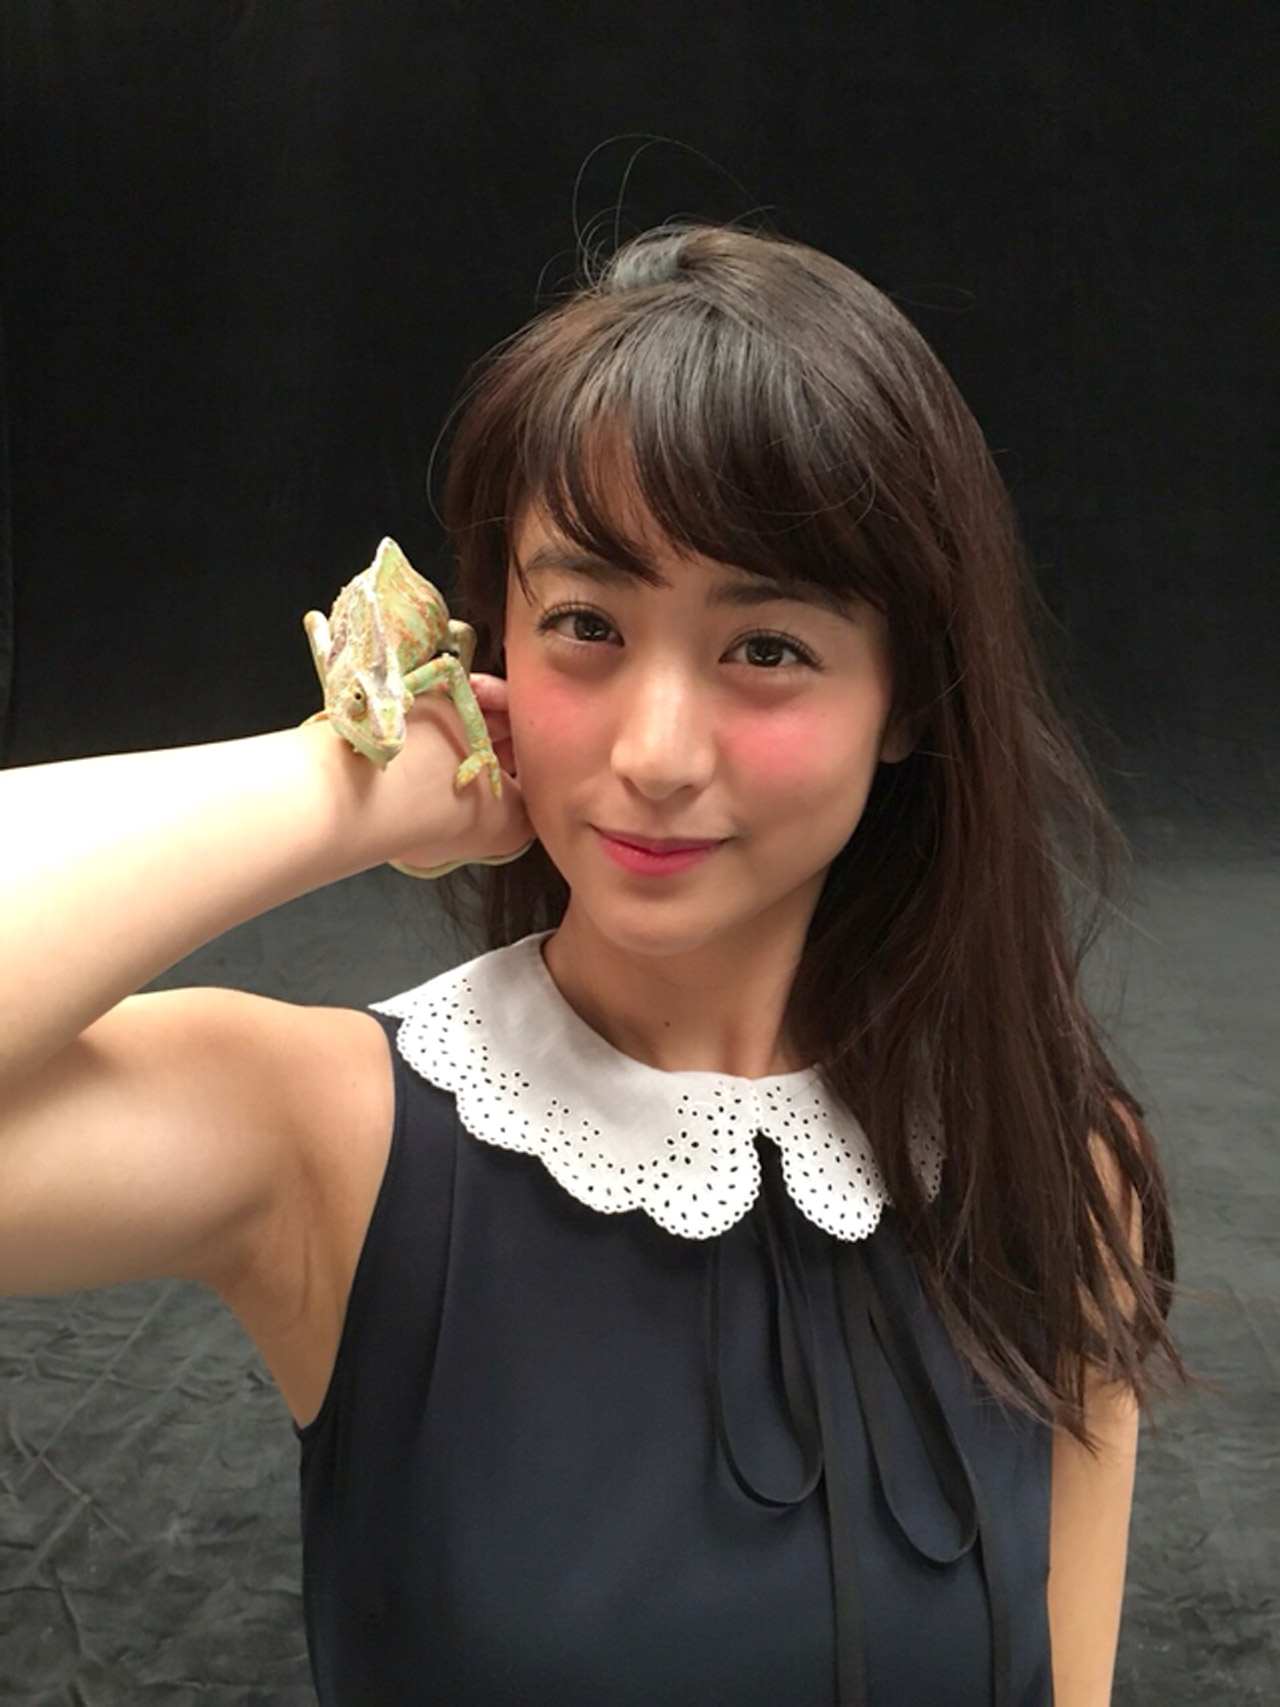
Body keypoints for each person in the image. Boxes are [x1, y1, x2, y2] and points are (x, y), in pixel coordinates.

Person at [0, 221, 1194, 1707]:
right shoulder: (338, 1139)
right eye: (585, 626)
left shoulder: (1057, 1162)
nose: (655, 752)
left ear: (908, 699)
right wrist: (356, 777)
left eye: (766, 647)